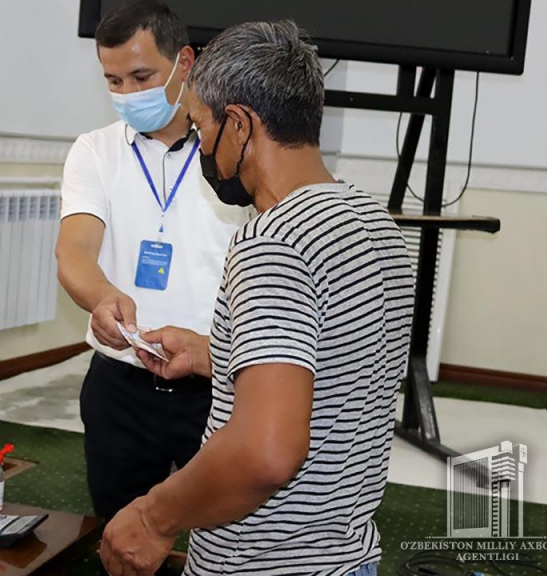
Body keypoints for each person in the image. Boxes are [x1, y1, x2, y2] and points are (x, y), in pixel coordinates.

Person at [99, 21, 416, 576]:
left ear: (239, 124)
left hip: (266, 563)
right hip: (347, 555)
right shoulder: (373, 223)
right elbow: (337, 372)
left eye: (200, 126)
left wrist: (154, 518)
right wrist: (209, 354)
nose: (199, 145)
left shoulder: (273, 242)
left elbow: (267, 450)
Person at [55, 0, 250, 520]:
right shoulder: (95, 151)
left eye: (142, 76)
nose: (127, 94)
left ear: (185, 62)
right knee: (119, 534)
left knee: (224, 536)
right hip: (121, 380)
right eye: (113, 81)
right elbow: (74, 249)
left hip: (217, 380)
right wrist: (102, 298)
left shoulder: (232, 148)